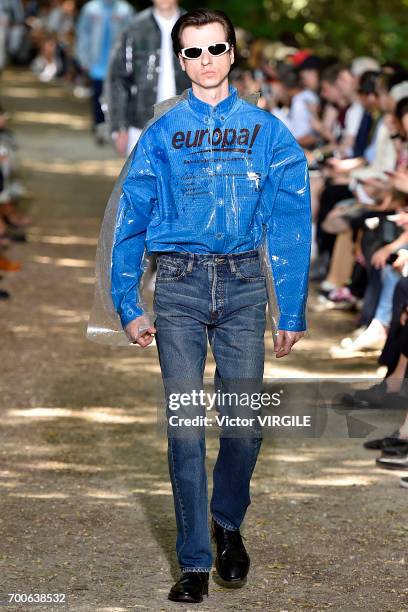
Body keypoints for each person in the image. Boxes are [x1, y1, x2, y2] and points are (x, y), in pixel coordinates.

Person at [87, 8, 311, 604]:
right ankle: (192, 560)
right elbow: (130, 223)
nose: (205, 61)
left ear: (233, 53)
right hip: (180, 289)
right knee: (185, 430)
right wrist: (126, 303)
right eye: (192, 52)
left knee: (243, 427)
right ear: (180, 60)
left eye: (215, 49)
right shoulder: (160, 135)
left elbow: (290, 224)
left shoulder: (269, 134)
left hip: (243, 289)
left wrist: (289, 310)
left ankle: (227, 522)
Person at [104, 0, 190, 157]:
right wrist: (119, 126)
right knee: (141, 180)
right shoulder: (134, 28)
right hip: (140, 124)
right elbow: (117, 79)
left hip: (186, 125)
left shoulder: (194, 28)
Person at [74, 0, 134, 144]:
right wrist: (83, 59)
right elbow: (83, 34)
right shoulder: (90, 9)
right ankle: (99, 128)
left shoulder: (125, 10)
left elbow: (132, 36)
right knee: (98, 96)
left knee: (119, 96)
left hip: (118, 63)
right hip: (97, 63)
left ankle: (116, 128)